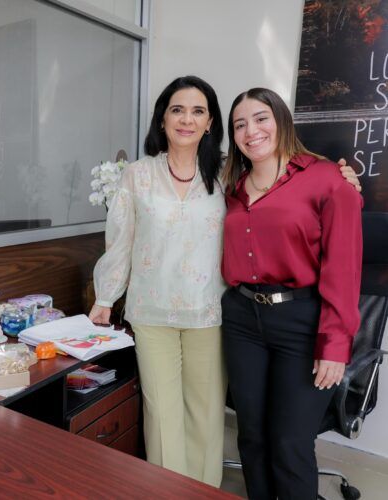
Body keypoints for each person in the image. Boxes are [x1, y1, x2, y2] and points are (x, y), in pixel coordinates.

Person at [88, 76, 361, 487]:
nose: (187, 119)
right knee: (172, 418)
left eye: (198, 111)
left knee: (215, 417)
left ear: (210, 122)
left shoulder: (228, 173)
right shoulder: (147, 176)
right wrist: (105, 298)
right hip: (167, 311)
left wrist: (346, 182)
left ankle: (203, 491)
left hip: (215, 310)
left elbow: (319, 231)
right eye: (177, 110)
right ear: (162, 119)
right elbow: (121, 239)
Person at [220, 88, 362, 500]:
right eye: (240, 124)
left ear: (282, 119)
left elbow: (344, 266)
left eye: (261, 118)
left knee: (290, 443)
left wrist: (335, 344)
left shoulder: (327, 178)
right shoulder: (233, 187)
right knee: (252, 435)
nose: (251, 131)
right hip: (242, 319)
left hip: (302, 321)